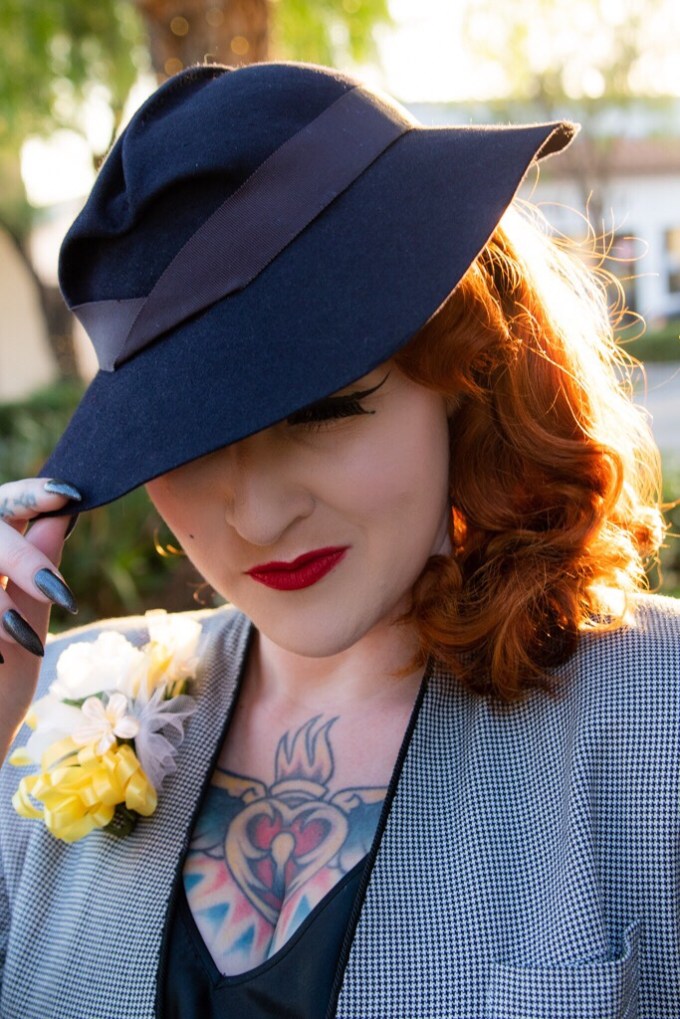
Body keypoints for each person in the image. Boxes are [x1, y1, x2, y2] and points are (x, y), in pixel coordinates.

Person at [0, 61, 677, 1019]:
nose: (258, 515)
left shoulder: (655, 712)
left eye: (320, 408)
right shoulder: (38, 714)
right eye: (184, 440)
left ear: (465, 375)